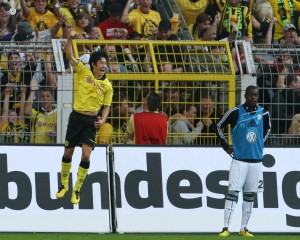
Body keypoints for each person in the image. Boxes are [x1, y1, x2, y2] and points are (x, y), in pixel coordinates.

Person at [56, 33, 113, 204]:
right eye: (101, 63)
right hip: (76, 118)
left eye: (105, 63)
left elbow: (107, 106)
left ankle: (77, 189)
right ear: (94, 64)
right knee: (68, 152)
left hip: (91, 122)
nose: (104, 65)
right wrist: (69, 40)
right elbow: (70, 56)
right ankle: (64, 185)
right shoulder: (83, 70)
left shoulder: (107, 86)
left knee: (86, 155)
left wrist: (102, 120)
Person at [216, 85, 271, 237]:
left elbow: (268, 129)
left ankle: (243, 228)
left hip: (256, 160)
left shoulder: (264, 113)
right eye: (251, 95)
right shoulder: (235, 112)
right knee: (233, 192)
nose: (254, 97)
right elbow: (219, 126)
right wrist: (226, 147)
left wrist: (260, 142)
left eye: (256, 95)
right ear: (245, 95)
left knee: (249, 194)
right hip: (239, 159)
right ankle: (226, 227)